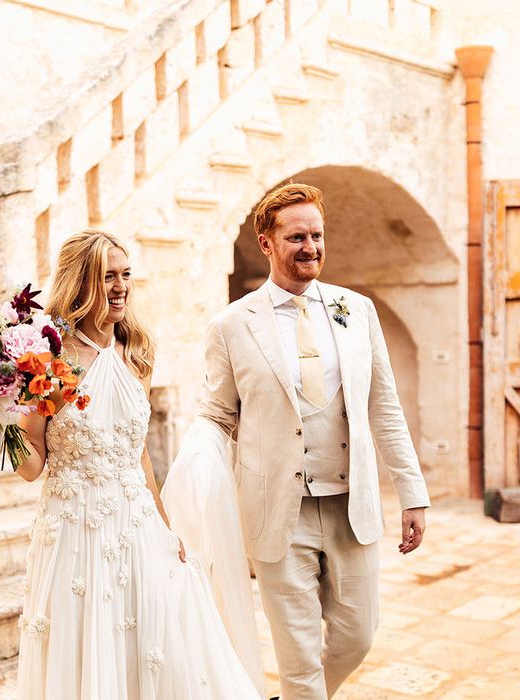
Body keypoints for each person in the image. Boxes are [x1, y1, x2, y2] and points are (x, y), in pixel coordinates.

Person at [0, 230, 262, 699]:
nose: (120, 286)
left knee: (154, 651)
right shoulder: (47, 360)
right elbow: (32, 468)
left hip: (139, 528)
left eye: (126, 274)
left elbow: (139, 451)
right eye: (107, 276)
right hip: (73, 535)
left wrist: (167, 528)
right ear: (80, 283)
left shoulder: (138, 353)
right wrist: (5, 418)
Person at [197, 183, 431, 700]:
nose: (311, 247)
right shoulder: (231, 326)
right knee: (298, 655)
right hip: (278, 511)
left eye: (317, 236)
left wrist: (413, 494)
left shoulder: (357, 311)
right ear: (266, 243)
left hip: (352, 505)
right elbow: (217, 415)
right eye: (297, 236)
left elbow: (385, 407)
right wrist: (201, 491)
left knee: (358, 637)